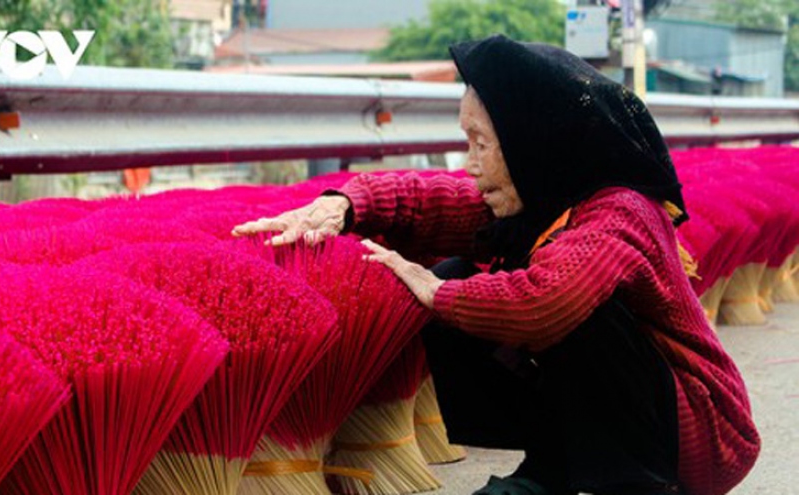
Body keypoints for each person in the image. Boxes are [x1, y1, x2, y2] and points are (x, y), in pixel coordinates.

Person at [232, 35, 759, 495]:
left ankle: (615, 480)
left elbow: (543, 303)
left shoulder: (619, 211)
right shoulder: (543, 197)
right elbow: (429, 199)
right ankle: (557, 467)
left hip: (700, 441)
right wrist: (345, 205)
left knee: (549, 307)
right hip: (642, 420)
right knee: (459, 274)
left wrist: (435, 294)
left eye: (481, 142)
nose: (470, 161)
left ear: (535, 142)